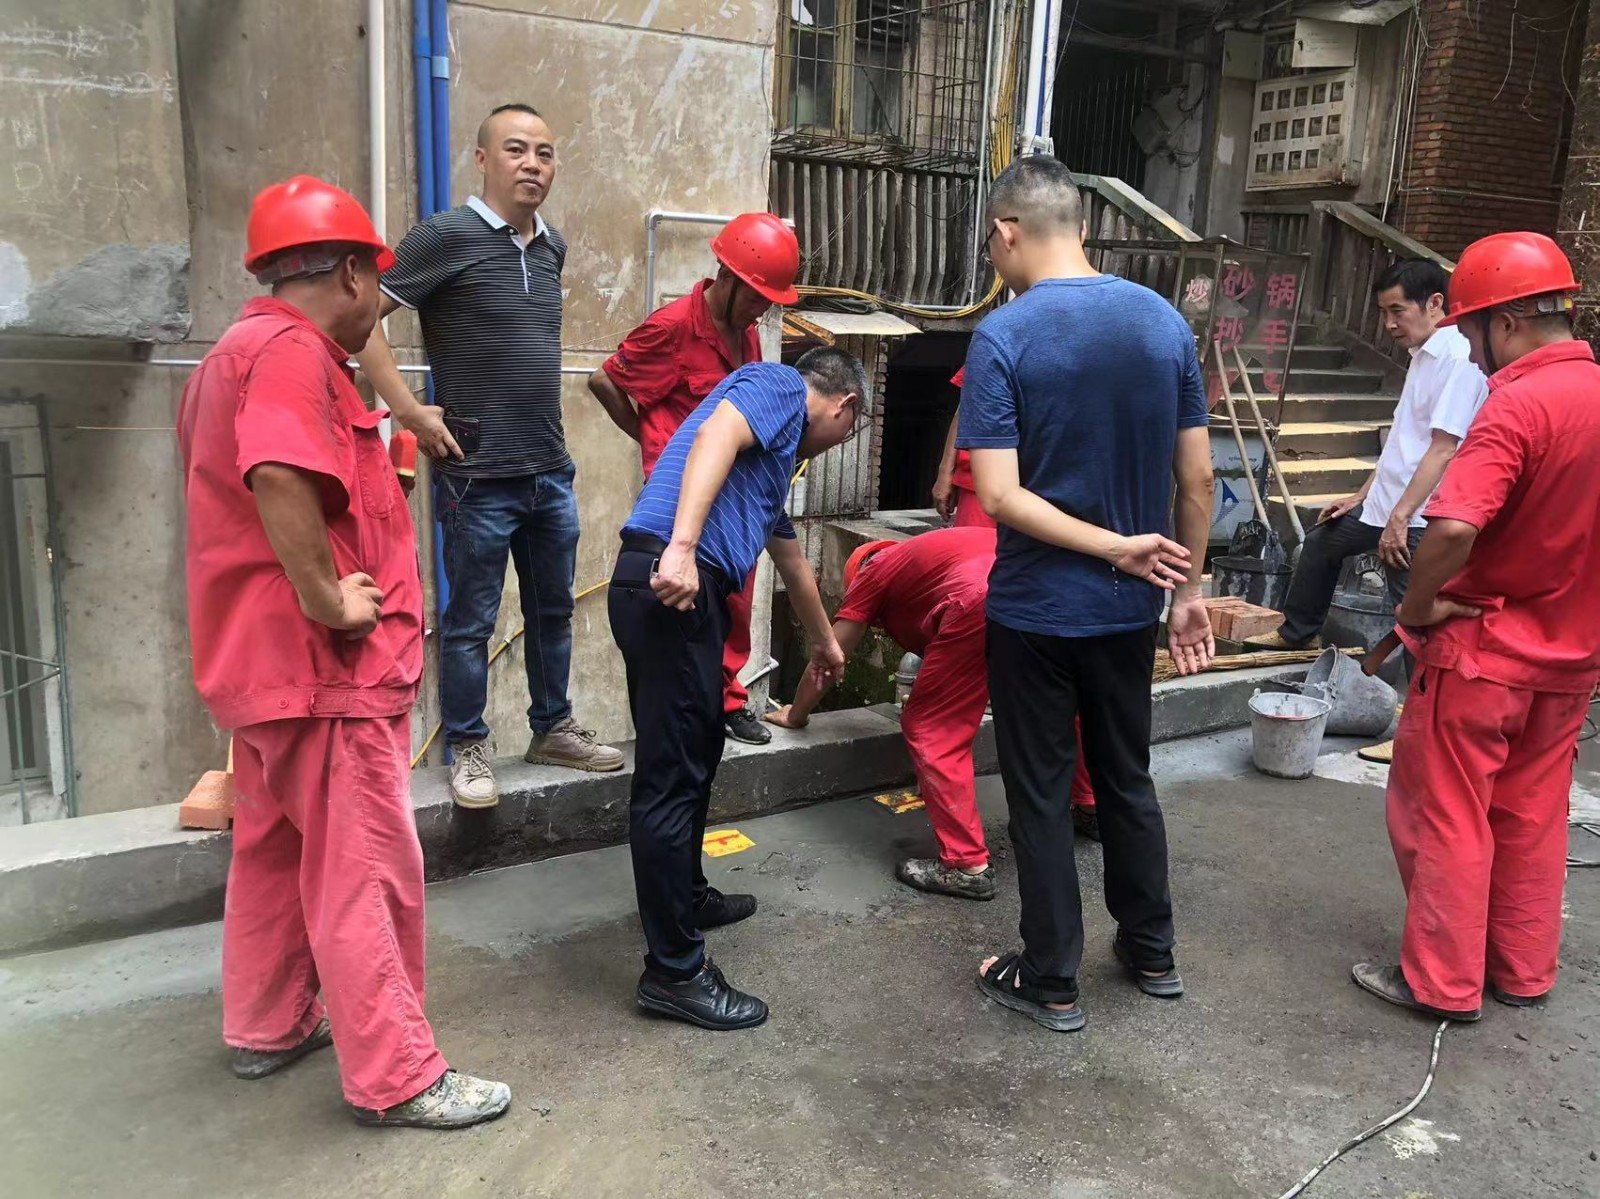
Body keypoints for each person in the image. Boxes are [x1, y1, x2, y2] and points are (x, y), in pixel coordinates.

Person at [177, 175, 509, 1128]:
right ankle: (399, 1074)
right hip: (323, 671)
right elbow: (278, 470)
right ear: (356, 275)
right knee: (363, 865)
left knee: (274, 851)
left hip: (263, 667)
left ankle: (268, 1022)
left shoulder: (232, 354)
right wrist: (327, 596)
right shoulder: (292, 355)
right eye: (376, 280)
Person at [958, 156, 1216, 1033]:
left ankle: (1051, 977)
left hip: (1036, 610)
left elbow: (999, 496)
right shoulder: (1163, 324)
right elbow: (1198, 479)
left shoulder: (1004, 336)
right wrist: (1187, 589)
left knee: (1040, 790)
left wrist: (1112, 547)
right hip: (1130, 612)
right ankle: (1152, 952)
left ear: (1007, 232)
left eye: (991, 244)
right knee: (1125, 775)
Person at [1351, 232, 1600, 1022]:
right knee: (1532, 814)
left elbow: (1454, 526)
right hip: (1570, 659)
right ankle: (1521, 969)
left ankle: (1442, 981)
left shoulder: (1517, 403)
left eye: (1474, 330)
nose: (1473, 350)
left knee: (1446, 811)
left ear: (1507, 322)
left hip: (1484, 653)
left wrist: (1417, 607)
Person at [357, 102, 623, 810]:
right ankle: (468, 745)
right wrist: (408, 409)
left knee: (553, 611)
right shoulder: (444, 237)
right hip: (476, 476)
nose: (533, 163)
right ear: (482, 159)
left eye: (545, 152)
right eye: (516, 149)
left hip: (548, 470)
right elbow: (360, 321)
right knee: (471, 622)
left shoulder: (552, 246)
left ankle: (552, 727)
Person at [610, 349, 868, 1030]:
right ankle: (674, 973)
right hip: (673, 583)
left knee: (696, 757)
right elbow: (717, 432)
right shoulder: (779, 386)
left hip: (684, 593)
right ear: (844, 406)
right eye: (849, 431)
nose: (839, 441)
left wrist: (825, 642)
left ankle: (688, 894)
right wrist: (682, 546)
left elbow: (792, 561)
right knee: (670, 779)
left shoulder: (769, 467)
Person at [765, 528, 1099, 890]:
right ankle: (1091, 807)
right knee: (1056, 706)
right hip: (1048, 589)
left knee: (934, 726)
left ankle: (966, 866)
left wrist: (795, 714)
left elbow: (829, 659)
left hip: (980, 601)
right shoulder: (936, 553)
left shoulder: (874, 571)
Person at [588, 212, 801, 747]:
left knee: (737, 595)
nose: (761, 309)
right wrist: (652, 440)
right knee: (685, 603)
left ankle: (727, 700)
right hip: (683, 500)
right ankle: (698, 708)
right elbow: (604, 380)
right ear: (726, 276)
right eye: (756, 296)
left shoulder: (747, 335)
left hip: (732, 493)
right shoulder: (671, 328)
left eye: (769, 300)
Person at [1245, 260, 1488, 666]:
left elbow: (1444, 449)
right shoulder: (1421, 354)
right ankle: (1298, 634)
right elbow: (1402, 440)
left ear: (1434, 303)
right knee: (1321, 543)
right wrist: (1360, 496)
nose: (1389, 324)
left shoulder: (1459, 358)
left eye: (1398, 311)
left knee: (1411, 614)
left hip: (1419, 515)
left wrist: (1400, 518)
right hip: (1384, 503)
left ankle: (1420, 696)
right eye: (1383, 312)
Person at [934, 365, 1100, 838]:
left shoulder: (1089, 348)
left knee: (1058, 651)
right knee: (978, 599)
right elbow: (966, 404)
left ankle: (1084, 800)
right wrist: (946, 470)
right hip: (983, 486)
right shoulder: (999, 338)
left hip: (1048, 499)